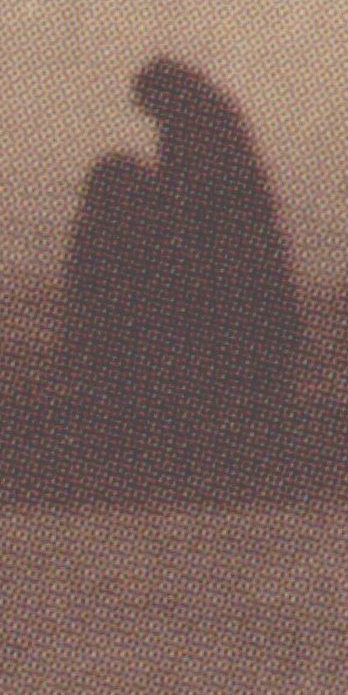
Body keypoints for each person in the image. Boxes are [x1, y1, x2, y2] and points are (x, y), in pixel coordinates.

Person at [58, 53, 302, 472]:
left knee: (109, 178)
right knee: (112, 180)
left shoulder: (197, 133)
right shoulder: (206, 125)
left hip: (227, 309)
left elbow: (193, 221)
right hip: (230, 304)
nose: (150, 119)